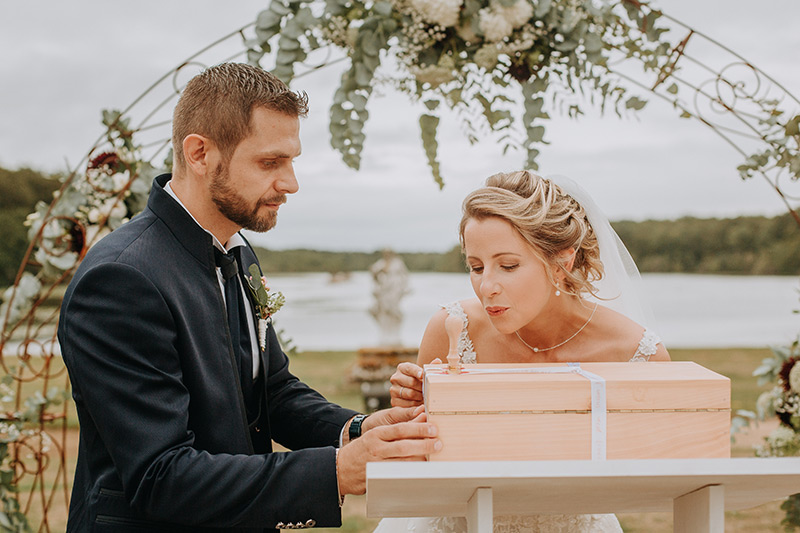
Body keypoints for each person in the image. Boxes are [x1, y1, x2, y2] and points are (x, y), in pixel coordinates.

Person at [57, 62, 440, 533]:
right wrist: (338, 470)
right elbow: (161, 476)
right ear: (199, 153)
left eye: (292, 160)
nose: (291, 183)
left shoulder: (238, 252)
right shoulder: (120, 280)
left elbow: (271, 392)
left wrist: (357, 430)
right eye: (270, 162)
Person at [377, 170, 670, 533]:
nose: (487, 287)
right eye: (476, 267)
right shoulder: (452, 329)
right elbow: (418, 467)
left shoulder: (634, 353)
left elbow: (657, 476)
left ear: (562, 262)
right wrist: (410, 417)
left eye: (509, 266)